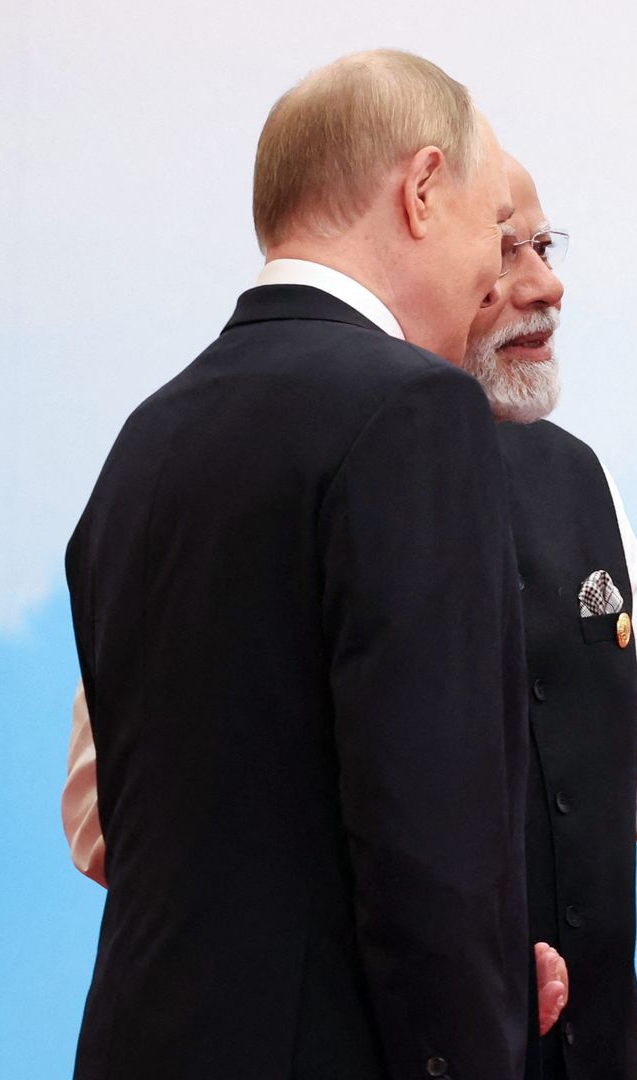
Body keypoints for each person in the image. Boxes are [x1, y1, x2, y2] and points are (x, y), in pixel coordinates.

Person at [63, 155, 637, 1079]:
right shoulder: (253, 472)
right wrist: (448, 968)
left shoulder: (575, 479)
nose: (544, 286)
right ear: (424, 248)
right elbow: (119, 816)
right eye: (502, 251)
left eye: (545, 246)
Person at [63, 50, 547, 1079]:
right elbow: (432, 840)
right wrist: (479, 1029)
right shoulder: (416, 411)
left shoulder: (148, 436)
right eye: (492, 228)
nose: (492, 282)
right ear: (422, 190)